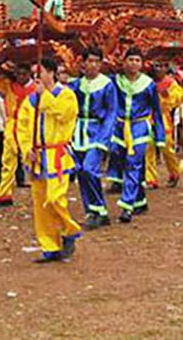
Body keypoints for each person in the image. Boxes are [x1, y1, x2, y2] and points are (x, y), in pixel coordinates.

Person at [17, 57, 80, 262]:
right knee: (40, 204)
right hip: (38, 157)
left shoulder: (66, 95)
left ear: (51, 73)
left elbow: (64, 114)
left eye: (41, 72)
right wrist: (27, 148)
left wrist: (44, 96)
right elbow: (23, 126)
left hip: (57, 155)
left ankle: (69, 230)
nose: (38, 77)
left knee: (55, 198)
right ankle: (49, 245)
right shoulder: (31, 100)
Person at [109, 48, 164, 223]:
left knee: (133, 163)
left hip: (139, 127)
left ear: (142, 64)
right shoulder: (115, 82)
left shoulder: (148, 85)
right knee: (127, 164)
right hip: (120, 127)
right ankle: (140, 200)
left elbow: (157, 110)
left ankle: (127, 206)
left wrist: (160, 135)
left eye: (137, 60)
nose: (134, 63)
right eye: (130, 59)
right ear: (124, 62)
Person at [68, 48, 116, 230]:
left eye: (97, 61)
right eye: (90, 61)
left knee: (90, 169)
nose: (93, 65)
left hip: (97, 131)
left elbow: (112, 112)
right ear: (83, 63)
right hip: (78, 131)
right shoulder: (77, 84)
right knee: (81, 171)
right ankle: (95, 211)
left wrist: (104, 139)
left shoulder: (107, 85)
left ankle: (98, 209)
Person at [0, 62, 35, 207]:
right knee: (7, 160)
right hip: (11, 125)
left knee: (33, 159)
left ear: (29, 74)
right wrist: (2, 68)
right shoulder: (9, 85)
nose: (20, 77)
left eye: (23, 74)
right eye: (18, 74)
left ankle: (41, 193)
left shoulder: (36, 88)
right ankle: (4, 195)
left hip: (30, 127)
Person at [147, 62, 183, 189]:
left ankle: (174, 172)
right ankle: (151, 179)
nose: (159, 69)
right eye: (157, 66)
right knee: (148, 147)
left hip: (163, 119)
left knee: (167, 148)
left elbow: (179, 99)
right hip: (148, 117)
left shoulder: (171, 83)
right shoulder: (147, 82)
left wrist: (167, 96)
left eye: (162, 66)